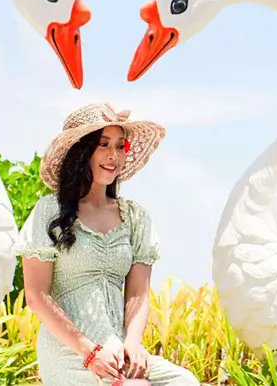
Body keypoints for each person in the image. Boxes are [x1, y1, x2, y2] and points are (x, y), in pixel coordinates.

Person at [17, 102, 200, 386]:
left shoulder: (134, 217)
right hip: (71, 351)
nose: (113, 156)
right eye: (103, 144)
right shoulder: (48, 212)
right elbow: (36, 297)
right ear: (82, 151)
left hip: (117, 350)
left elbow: (138, 294)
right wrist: (89, 352)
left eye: (120, 146)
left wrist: (135, 343)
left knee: (184, 382)